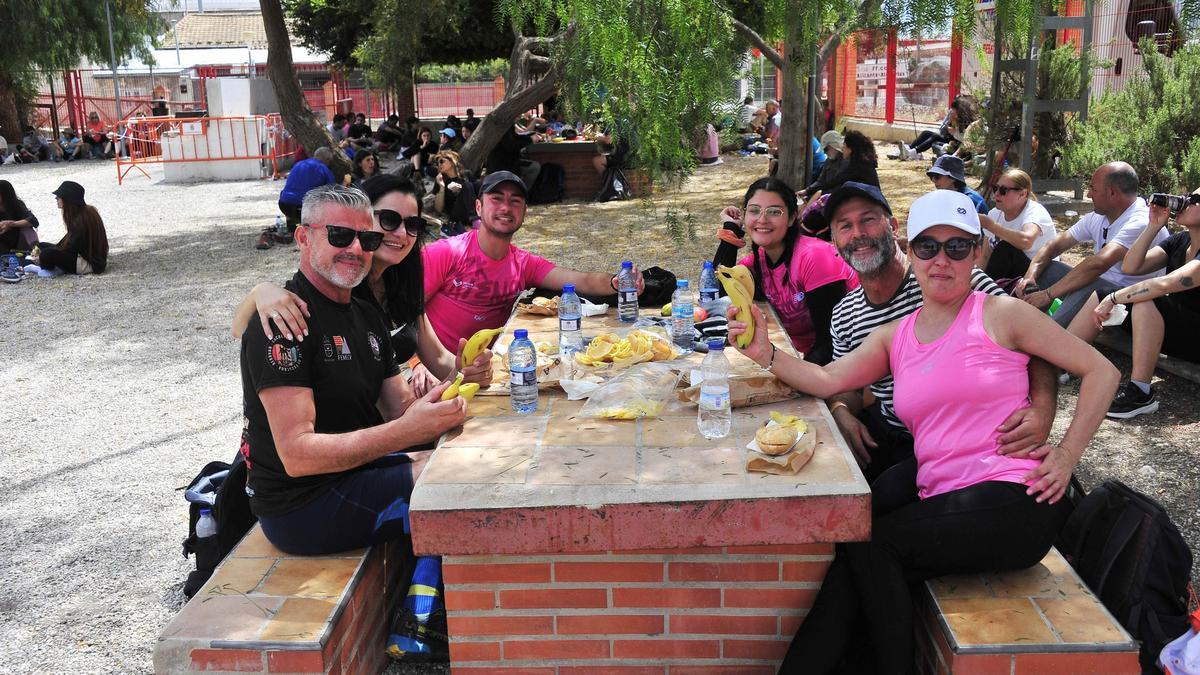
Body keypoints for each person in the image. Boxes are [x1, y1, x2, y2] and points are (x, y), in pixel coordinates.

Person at [725, 189, 1119, 674]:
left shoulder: (1001, 314)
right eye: (928, 247)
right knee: (854, 559)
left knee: (875, 547)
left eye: (957, 247)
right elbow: (828, 379)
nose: (942, 260)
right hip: (944, 492)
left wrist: (1066, 454)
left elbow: (1103, 372)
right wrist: (764, 352)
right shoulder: (896, 335)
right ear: (909, 250)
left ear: (977, 253)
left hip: (1014, 497)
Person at [235, 184, 467, 555]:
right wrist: (405, 432)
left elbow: (401, 408)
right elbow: (297, 455)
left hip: (355, 472)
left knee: (466, 458)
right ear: (303, 238)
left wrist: (455, 394)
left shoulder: (366, 313)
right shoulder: (284, 323)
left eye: (367, 239)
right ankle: (429, 603)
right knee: (454, 480)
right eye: (340, 236)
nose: (356, 250)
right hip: (301, 506)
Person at [822, 182, 1057, 483]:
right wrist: (841, 411)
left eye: (868, 219)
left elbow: (1035, 344)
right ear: (834, 240)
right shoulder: (844, 312)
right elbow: (846, 385)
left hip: (965, 443)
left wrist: (1043, 408)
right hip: (890, 431)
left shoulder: (951, 277)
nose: (858, 234)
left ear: (893, 227)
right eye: (845, 226)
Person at [234, 174, 494, 399]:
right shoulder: (339, 285)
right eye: (389, 220)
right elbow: (243, 331)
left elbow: (436, 357)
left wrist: (466, 371)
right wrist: (261, 291)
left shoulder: (403, 281)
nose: (402, 234)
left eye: (413, 224)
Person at [422, 171, 645, 349]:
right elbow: (406, 312)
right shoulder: (445, 252)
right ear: (479, 207)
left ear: (524, 211)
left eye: (515, 201)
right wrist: (419, 362)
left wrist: (617, 282)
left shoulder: (523, 264)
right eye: (496, 199)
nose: (506, 208)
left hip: (488, 367)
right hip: (434, 368)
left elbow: (582, 280)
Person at [1066, 187, 1200, 419]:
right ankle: (1061, 362)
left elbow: (1164, 285)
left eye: (1195, 199)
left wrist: (1115, 298)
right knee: (1101, 292)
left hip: (1196, 340)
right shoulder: (1180, 241)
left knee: (1147, 299)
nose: (1185, 201)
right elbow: (1131, 266)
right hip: (1174, 333)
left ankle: (1141, 393)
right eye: (1188, 196)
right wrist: (1153, 226)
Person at [711, 177, 860, 363]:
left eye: (774, 211)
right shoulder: (758, 262)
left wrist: (793, 383)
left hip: (847, 364)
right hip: (802, 357)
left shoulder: (815, 257)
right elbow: (719, 290)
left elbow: (829, 343)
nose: (762, 219)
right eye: (754, 210)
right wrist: (731, 228)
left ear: (791, 218)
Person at [1016, 162, 1168, 327]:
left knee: (1090, 283)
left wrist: (1048, 294)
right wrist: (1030, 277)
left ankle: (1045, 338)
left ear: (1112, 193)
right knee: (1050, 268)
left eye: (1093, 189)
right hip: (1101, 287)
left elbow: (1098, 264)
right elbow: (1054, 246)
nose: (1088, 195)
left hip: (1133, 299)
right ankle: (1019, 324)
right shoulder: (1098, 217)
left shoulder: (1141, 220)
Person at [980, 168, 1057, 280]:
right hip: (1012, 274)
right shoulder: (994, 214)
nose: (996, 194)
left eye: (1003, 190)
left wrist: (991, 226)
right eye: (995, 188)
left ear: (1022, 194)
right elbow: (985, 255)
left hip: (1040, 275)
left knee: (1005, 248)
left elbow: (1026, 240)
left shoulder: (1035, 212)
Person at [265, 147, 338, 250]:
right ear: (327, 160)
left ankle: (291, 226)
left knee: (293, 198)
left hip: (284, 205)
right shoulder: (324, 169)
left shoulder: (299, 164)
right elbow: (332, 190)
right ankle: (314, 229)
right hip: (304, 209)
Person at [37, 181, 108, 275]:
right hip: (82, 255)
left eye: (58, 197)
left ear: (67, 199)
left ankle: (52, 269)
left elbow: (72, 247)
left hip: (88, 262)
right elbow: (69, 242)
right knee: (41, 246)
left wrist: (48, 254)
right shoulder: (83, 213)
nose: (56, 198)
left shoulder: (81, 219)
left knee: (46, 255)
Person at [799, 130, 879, 202]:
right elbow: (826, 182)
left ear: (850, 149)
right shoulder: (857, 164)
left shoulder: (856, 166)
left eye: (844, 145)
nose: (842, 148)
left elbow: (838, 184)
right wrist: (807, 192)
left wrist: (816, 196)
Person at [897, 95, 976, 161]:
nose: (952, 112)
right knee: (926, 133)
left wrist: (954, 132)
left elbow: (965, 140)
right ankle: (908, 150)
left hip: (956, 144)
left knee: (935, 137)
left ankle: (912, 153)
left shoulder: (968, 122)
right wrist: (949, 123)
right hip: (949, 138)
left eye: (955, 111)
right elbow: (943, 131)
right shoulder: (953, 116)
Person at [433, 151, 479, 237]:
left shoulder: (466, 174)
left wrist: (461, 189)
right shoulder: (441, 180)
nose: (439, 164)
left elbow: (476, 193)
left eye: (441, 161)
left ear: (451, 161)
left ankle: (477, 220)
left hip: (471, 210)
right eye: (437, 163)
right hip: (455, 215)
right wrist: (442, 187)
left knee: (475, 184)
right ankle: (475, 221)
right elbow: (438, 209)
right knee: (466, 186)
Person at [0, 180, 39, 251]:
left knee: (28, 230)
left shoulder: (17, 205)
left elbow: (33, 220)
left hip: (17, 241)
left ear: (5, 194)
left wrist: (11, 224)